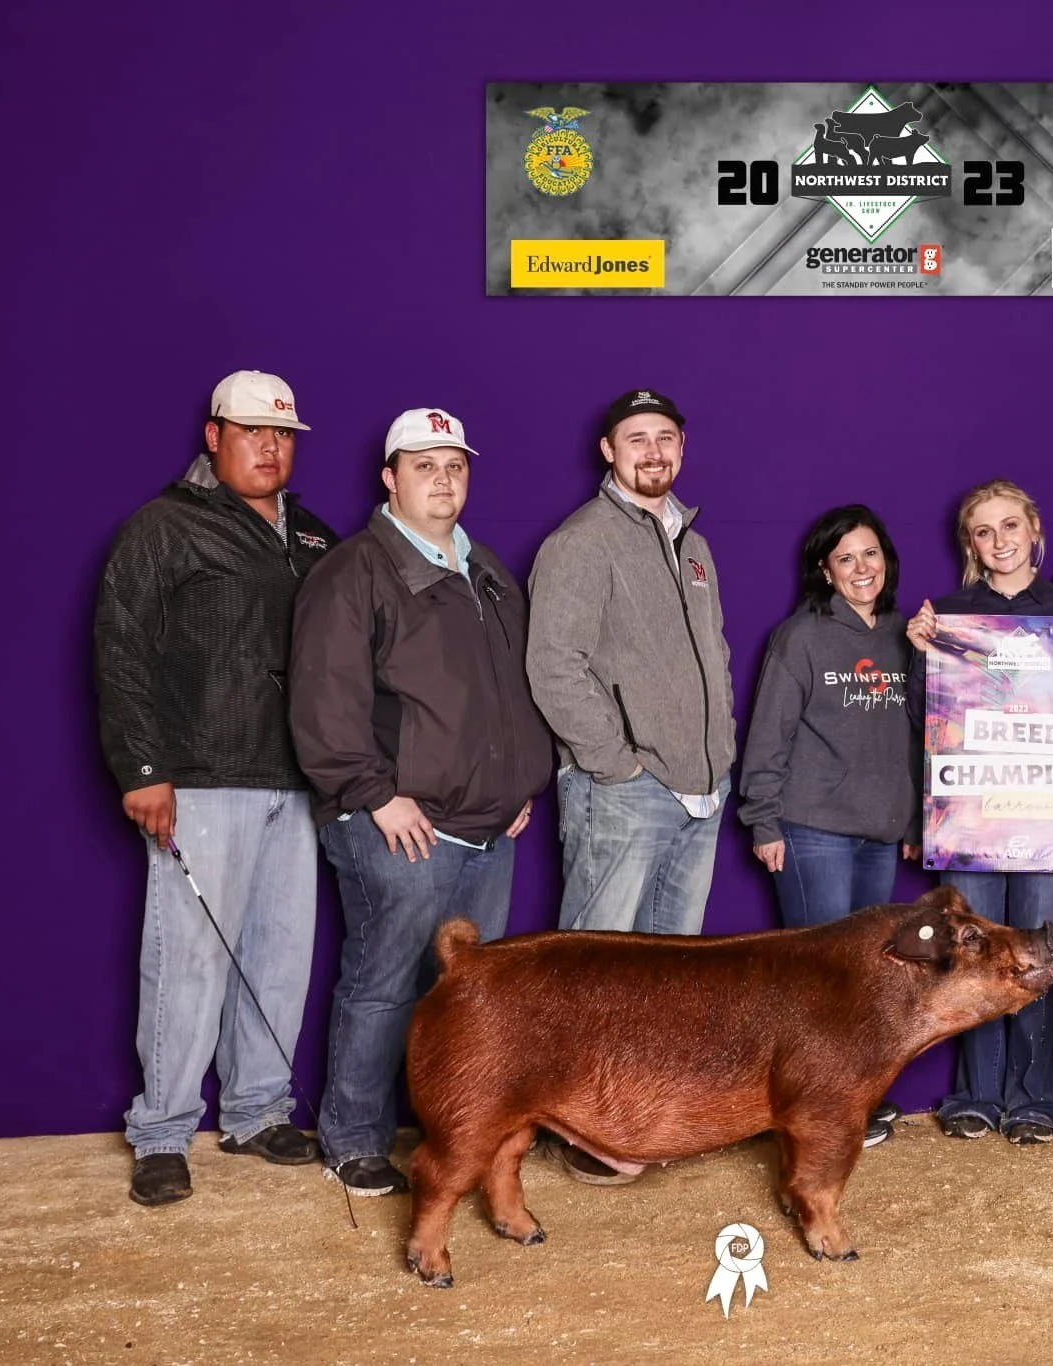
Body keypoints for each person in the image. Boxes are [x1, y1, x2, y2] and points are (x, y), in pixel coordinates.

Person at [289, 407, 554, 1196]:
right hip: (400, 823)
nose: (443, 480)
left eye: (455, 466)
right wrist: (374, 795)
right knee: (383, 983)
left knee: (466, 999)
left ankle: (455, 1134)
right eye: (424, 466)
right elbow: (323, 699)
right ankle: (353, 1140)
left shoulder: (486, 571)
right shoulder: (353, 570)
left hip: (485, 828)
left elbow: (514, 691)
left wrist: (519, 782)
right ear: (390, 479)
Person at [94, 369, 338, 1207]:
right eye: (252, 432)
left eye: (283, 435)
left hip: (297, 780)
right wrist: (143, 770)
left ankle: (257, 1111)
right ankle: (163, 1132)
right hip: (199, 777)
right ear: (214, 437)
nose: (270, 448)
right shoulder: (164, 528)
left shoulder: (313, 535)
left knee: (279, 957)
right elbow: (121, 651)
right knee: (189, 960)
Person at [525, 388, 734, 1184]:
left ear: (682, 447)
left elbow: (713, 656)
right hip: (625, 790)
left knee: (670, 975)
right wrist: (615, 761)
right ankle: (579, 1123)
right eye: (636, 438)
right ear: (609, 451)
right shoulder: (581, 542)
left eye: (665, 437)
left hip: (700, 790)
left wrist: (720, 754)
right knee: (597, 967)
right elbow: (554, 665)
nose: (654, 451)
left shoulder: (694, 543)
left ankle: (639, 1119)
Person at [907, 480, 1053, 1146]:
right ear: (970, 544)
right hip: (971, 811)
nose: (999, 540)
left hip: (1048, 814)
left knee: (1038, 951)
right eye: (984, 531)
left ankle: (1033, 1097)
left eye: (1010, 525)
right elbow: (926, 719)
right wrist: (922, 656)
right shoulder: (951, 617)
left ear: (1033, 530)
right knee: (971, 950)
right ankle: (976, 1093)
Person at [740, 505, 919, 1147]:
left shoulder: (905, 635)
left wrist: (915, 818)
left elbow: (919, 733)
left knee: (870, 975)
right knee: (819, 978)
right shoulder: (801, 636)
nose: (861, 567)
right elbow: (769, 733)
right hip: (812, 827)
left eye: (870, 553)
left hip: (880, 834)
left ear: (886, 560)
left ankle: (852, 1098)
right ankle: (812, 1109)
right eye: (845, 558)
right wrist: (763, 820)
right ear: (825, 570)